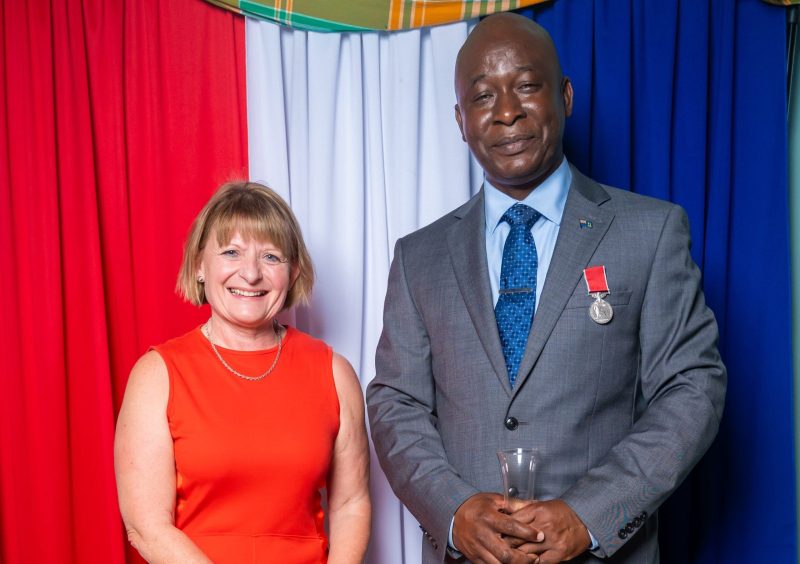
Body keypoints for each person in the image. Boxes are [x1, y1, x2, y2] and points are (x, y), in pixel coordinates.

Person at [367, 12, 725, 564]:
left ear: (566, 96)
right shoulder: (420, 258)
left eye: (527, 86)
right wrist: (455, 510)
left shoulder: (649, 232)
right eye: (484, 97)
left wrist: (591, 513)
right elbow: (396, 402)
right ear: (461, 121)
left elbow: (692, 387)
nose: (507, 112)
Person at [115, 182, 371, 563]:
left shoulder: (334, 372)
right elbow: (146, 524)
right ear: (200, 265)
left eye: (271, 257)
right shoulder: (157, 375)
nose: (251, 274)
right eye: (231, 252)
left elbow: (351, 503)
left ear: (293, 271)